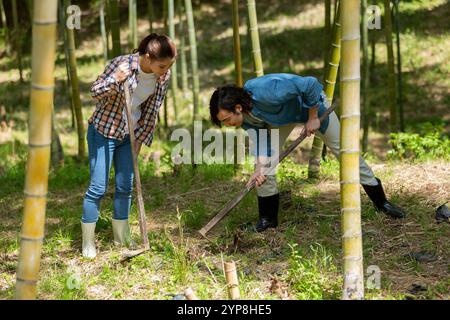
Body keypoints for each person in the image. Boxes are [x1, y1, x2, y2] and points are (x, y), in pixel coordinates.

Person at [209, 73, 406, 232]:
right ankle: (268, 220)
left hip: (312, 108)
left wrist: (313, 117)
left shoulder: (267, 91)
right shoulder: (244, 118)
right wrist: (260, 168)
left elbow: (311, 84)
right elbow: (262, 141)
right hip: (280, 120)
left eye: (227, 119)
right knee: (264, 167)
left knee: (346, 153)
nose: (228, 124)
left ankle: (382, 203)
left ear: (237, 107)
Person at [81, 33, 176, 258]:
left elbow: (152, 112)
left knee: (126, 186)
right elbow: (94, 91)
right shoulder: (122, 64)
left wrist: (140, 141)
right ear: (147, 57)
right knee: (98, 187)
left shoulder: (162, 76)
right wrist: (116, 79)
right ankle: (88, 242)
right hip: (104, 131)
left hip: (129, 135)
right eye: (162, 65)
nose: (165, 70)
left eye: (169, 65)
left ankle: (121, 237)